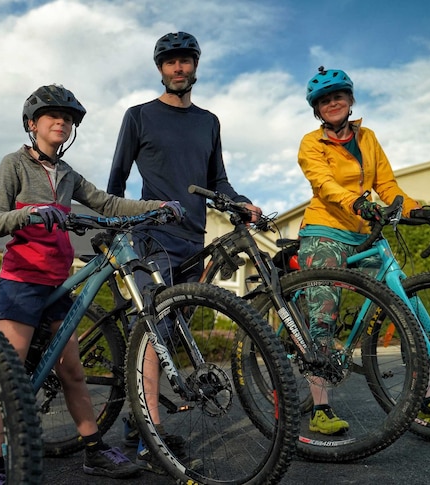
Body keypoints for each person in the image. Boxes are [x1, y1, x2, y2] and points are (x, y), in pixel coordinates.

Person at [0, 84, 183, 484]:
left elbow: (107, 204)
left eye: (68, 118)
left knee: (72, 371)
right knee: (8, 372)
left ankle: (92, 449)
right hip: (21, 280)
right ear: (31, 124)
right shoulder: (13, 164)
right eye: (52, 116)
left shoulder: (68, 175)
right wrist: (30, 215)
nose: (62, 122)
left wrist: (154, 206)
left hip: (58, 282)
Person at [105, 31, 262, 474]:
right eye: (170, 62)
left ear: (195, 66)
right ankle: (149, 443)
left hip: (194, 242)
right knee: (153, 337)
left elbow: (219, 182)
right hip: (152, 238)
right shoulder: (138, 116)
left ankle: (138, 428)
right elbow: (115, 182)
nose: (178, 68)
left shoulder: (208, 121)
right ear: (160, 69)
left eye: (185, 61)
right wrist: (113, 235)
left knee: (170, 339)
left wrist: (239, 201)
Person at [296, 65, 430, 435]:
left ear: (349, 100)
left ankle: (425, 401)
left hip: (366, 231)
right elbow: (324, 184)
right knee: (323, 311)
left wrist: (416, 209)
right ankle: (321, 408)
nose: (333, 103)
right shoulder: (311, 143)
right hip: (324, 229)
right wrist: (357, 202)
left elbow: (388, 186)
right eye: (325, 100)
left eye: (338, 96)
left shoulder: (368, 138)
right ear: (317, 109)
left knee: (407, 306)